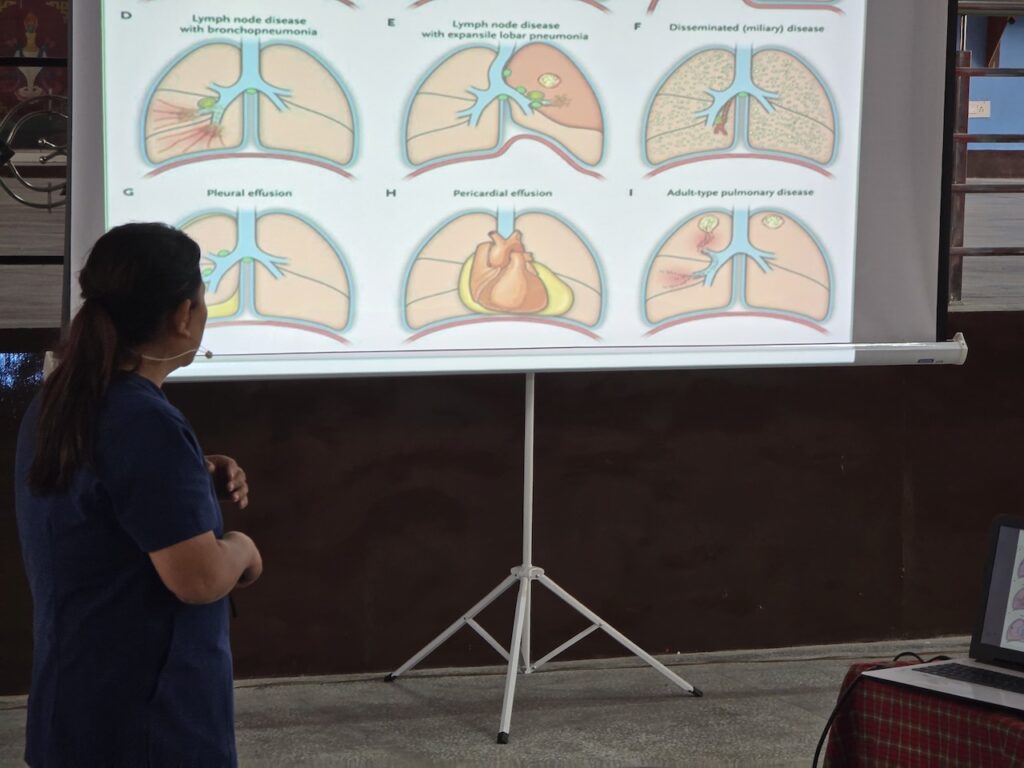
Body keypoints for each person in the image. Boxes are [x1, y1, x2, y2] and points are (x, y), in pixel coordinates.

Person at [14, 223, 263, 767]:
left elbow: (95, 502)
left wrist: (192, 476)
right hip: (149, 725)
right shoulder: (144, 422)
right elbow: (198, 580)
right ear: (183, 315)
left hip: (75, 708)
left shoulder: (59, 401)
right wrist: (242, 549)